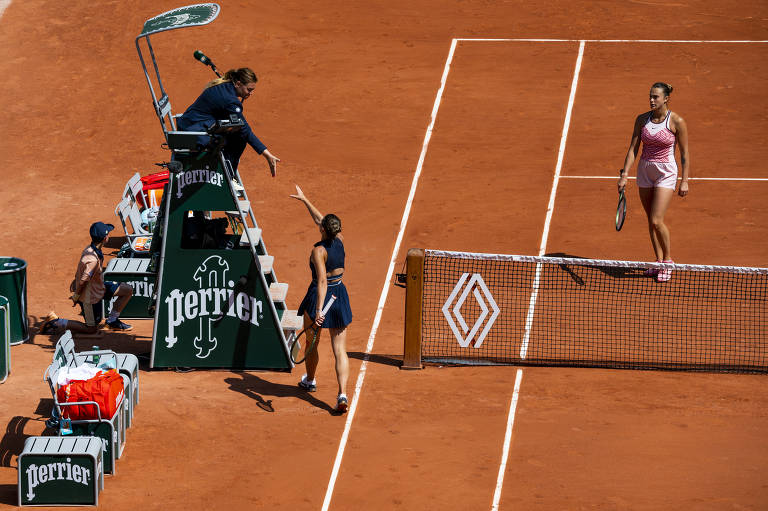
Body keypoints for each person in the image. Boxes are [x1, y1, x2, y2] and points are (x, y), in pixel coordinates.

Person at [618, 82, 690, 282]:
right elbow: (633, 149)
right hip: (645, 170)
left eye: (656, 97)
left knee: (657, 220)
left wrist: (684, 181)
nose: (651, 100)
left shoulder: (676, 121)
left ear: (666, 98)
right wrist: (625, 174)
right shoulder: (642, 119)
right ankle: (658, 262)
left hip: (666, 172)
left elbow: (684, 154)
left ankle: (668, 261)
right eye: (650, 96)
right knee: (650, 220)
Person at [290, 185, 352, 413]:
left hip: (320, 296)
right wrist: (305, 199)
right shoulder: (340, 239)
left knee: (312, 342)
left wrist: (318, 311)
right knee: (340, 349)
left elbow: (322, 282)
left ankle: (310, 380)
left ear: (323, 231)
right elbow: (321, 218)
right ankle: (343, 393)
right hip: (340, 296)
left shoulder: (319, 251)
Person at [177, 67, 280, 177]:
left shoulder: (225, 86)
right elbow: (244, 129)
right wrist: (267, 155)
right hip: (193, 132)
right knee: (239, 138)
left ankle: (225, 171)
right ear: (238, 84)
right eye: (249, 90)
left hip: (188, 123)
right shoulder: (230, 100)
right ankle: (228, 176)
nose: (251, 93)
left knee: (232, 131)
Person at [42, 222, 134, 335]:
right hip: (89, 297)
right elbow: (84, 280)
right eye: (108, 234)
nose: (109, 236)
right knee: (91, 329)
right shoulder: (93, 260)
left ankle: (112, 321)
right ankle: (55, 322)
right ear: (105, 238)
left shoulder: (91, 249)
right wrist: (76, 295)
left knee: (127, 290)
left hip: (99, 287)